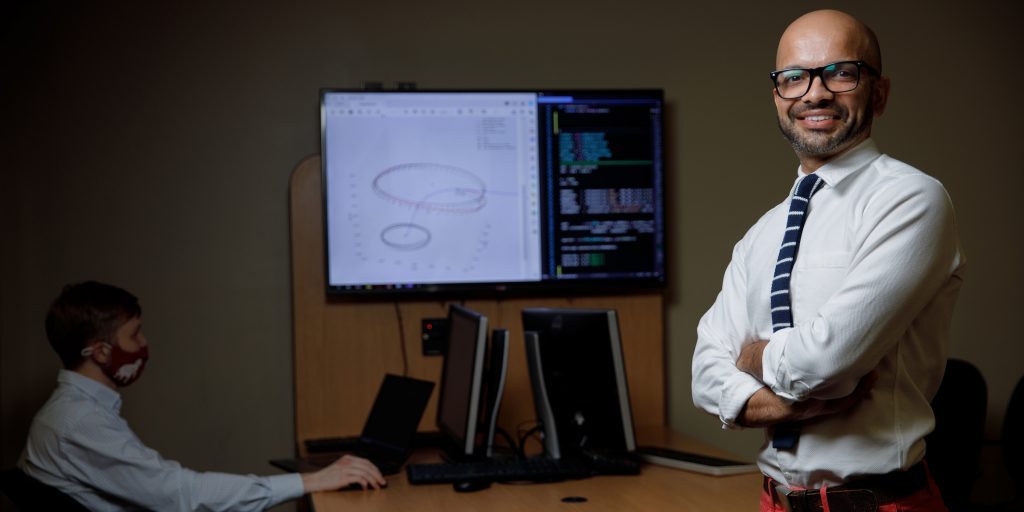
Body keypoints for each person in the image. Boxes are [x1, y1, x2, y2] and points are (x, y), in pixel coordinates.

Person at [691, 9, 965, 512]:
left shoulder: (912, 200)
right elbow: (705, 374)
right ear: (778, 98)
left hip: (880, 504)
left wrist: (751, 357)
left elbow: (825, 364)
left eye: (840, 72)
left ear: (878, 93)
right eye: (793, 78)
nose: (814, 93)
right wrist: (782, 406)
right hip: (774, 501)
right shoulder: (763, 231)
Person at [17, 281, 386, 511]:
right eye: (135, 334)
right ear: (100, 352)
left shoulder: (76, 411)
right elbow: (181, 496)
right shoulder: (78, 423)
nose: (144, 345)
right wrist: (310, 481)